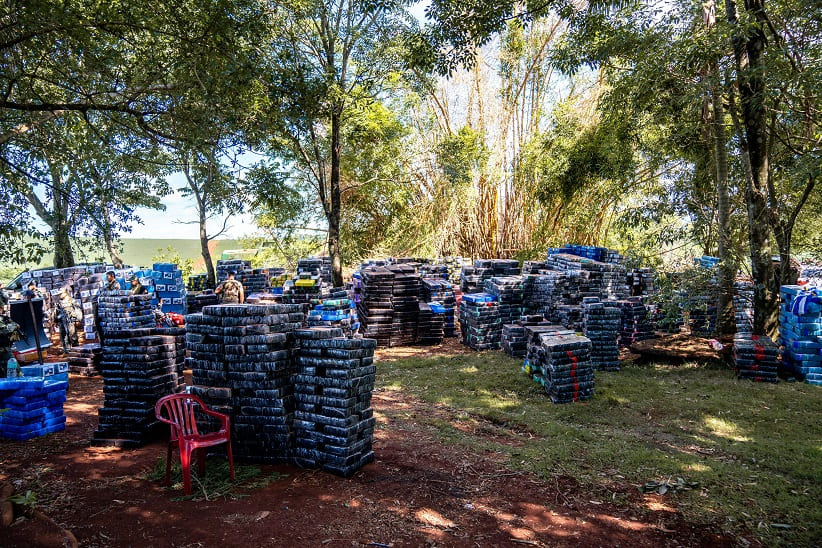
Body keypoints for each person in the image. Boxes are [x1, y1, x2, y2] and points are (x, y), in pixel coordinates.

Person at [53, 287, 81, 352]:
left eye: (61, 293)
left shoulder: (72, 301)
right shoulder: (59, 302)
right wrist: (55, 321)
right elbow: (56, 311)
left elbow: (78, 310)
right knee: (63, 336)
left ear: (65, 293)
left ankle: (76, 350)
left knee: (72, 335)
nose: (60, 295)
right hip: (62, 321)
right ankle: (67, 351)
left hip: (70, 321)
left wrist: (78, 320)